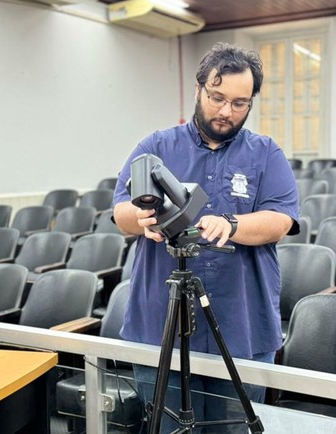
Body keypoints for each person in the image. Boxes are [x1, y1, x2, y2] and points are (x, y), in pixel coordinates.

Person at [112, 42, 299, 433]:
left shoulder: (266, 153)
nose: (226, 111)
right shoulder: (156, 147)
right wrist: (143, 218)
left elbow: (281, 219)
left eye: (239, 103)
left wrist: (231, 225)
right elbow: (121, 212)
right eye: (217, 98)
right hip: (158, 326)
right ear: (198, 89)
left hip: (241, 327)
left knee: (232, 428)